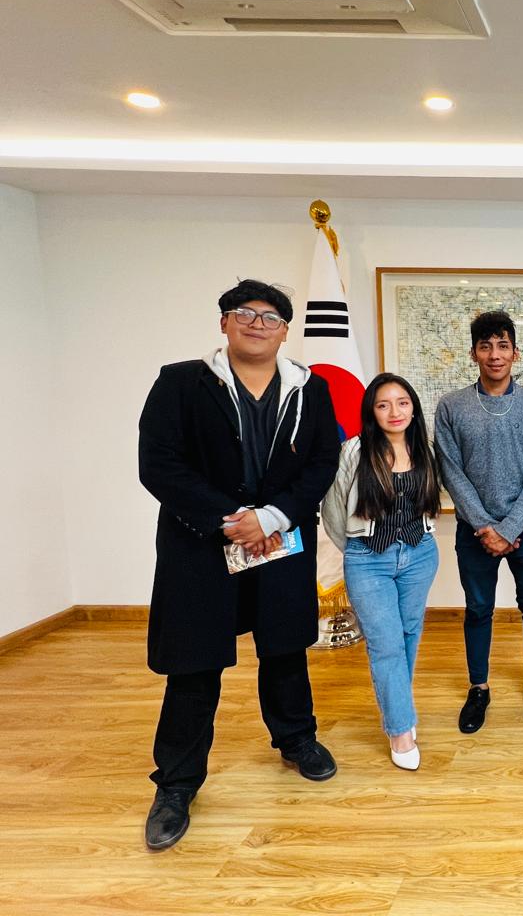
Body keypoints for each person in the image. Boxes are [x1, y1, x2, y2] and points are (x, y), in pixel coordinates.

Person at [139, 279, 340, 851]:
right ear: (224, 322)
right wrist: (230, 518)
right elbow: (158, 464)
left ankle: (296, 739)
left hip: (279, 541)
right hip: (201, 544)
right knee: (194, 663)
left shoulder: (311, 388)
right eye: (244, 313)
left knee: (284, 648)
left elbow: (323, 461)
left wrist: (272, 516)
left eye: (271, 317)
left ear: (285, 330)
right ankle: (176, 783)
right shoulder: (181, 382)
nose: (257, 323)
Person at [434, 311, 523, 734]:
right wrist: (486, 526)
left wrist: (509, 528)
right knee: (478, 609)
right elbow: (451, 472)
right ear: (474, 353)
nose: (494, 354)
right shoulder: (451, 407)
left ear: (515, 352)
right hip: (475, 531)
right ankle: (479, 687)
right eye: (485, 346)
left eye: (502, 345)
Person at [322, 374, 441, 771]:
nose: (394, 412)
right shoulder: (354, 452)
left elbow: (430, 500)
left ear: (413, 408)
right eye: (383, 404)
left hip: (419, 556)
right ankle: (401, 730)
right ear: (371, 411)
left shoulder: (425, 448)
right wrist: (357, 551)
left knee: (408, 635)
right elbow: (333, 511)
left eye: (402, 402)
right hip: (368, 559)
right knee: (385, 644)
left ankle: (398, 710)